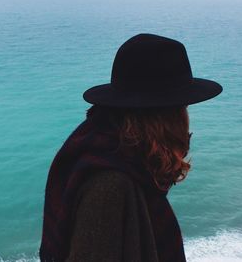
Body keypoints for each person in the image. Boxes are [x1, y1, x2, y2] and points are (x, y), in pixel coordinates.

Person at [39, 33, 223, 262]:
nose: (186, 118)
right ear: (166, 118)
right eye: (183, 106)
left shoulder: (126, 166)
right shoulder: (109, 187)